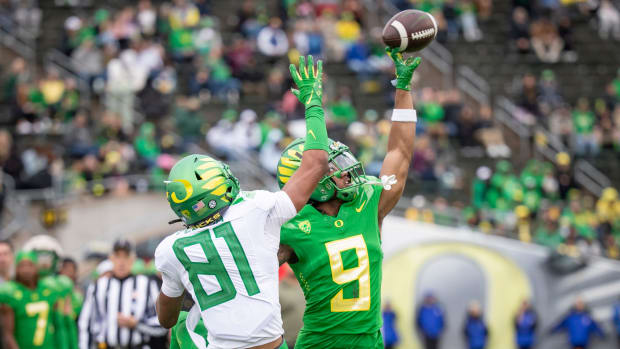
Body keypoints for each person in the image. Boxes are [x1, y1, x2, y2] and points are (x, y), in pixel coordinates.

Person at [154, 55, 329, 349]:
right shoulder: (256, 209)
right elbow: (316, 164)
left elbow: (166, 319)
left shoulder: (170, 249)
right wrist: (312, 104)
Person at [276, 47, 421, 348]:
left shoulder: (367, 201)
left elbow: (400, 153)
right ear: (311, 180)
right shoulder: (289, 226)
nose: (346, 172)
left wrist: (403, 89)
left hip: (370, 341)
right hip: (319, 343)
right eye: (335, 167)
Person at [78, 239, 165, 349]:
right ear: (111, 258)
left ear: (133, 259)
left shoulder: (147, 284)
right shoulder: (98, 286)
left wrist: (137, 324)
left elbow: (162, 324)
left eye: (126, 256)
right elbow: (85, 324)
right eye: (118, 256)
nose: (121, 262)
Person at [23, 235, 78, 349]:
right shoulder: (19, 288)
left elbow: (65, 323)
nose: (43, 262)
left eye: (47, 257)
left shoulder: (61, 285)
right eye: (39, 257)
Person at [0, 251, 63, 349]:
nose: (26, 270)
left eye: (30, 265)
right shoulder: (10, 292)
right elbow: (7, 334)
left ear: (37, 267)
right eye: (22, 266)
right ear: (16, 269)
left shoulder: (49, 290)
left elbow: (59, 327)